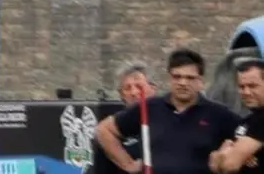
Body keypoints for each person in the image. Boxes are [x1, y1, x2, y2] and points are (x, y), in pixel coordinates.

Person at [96, 48, 241, 174]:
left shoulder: (219, 114)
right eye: (177, 77)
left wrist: (225, 155)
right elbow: (104, 130)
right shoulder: (149, 107)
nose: (183, 83)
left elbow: (249, 137)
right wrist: (128, 164)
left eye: (190, 78)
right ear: (169, 79)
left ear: (200, 82)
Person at [93, 62, 157, 173]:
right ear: (121, 95)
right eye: (127, 88)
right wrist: (130, 165)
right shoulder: (111, 132)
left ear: (152, 88)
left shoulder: (166, 118)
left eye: (139, 86)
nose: (134, 92)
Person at [209, 58, 264, 173]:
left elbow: (229, 165)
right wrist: (226, 153)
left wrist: (224, 152)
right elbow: (214, 166)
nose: (246, 92)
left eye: (252, 86)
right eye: (242, 87)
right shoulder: (248, 120)